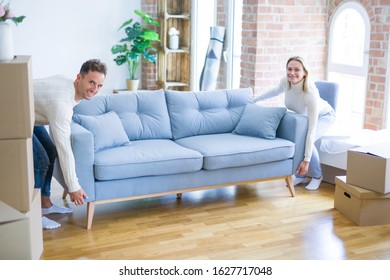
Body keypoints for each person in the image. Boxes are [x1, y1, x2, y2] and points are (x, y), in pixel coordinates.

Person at [33, 59, 107, 229]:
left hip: (29, 112)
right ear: (78, 78)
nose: (94, 90)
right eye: (91, 82)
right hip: (13, 111)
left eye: (99, 85)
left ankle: (45, 204)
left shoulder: (70, 87)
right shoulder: (62, 104)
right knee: (41, 160)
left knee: (50, 152)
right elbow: (65, 149)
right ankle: (34, 215)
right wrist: (74, 187)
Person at [254, 56, 335, 191]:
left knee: (305, 140)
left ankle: (316, 176)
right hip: (304, 117)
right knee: (298, 139)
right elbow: (274, 91)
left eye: (297, 69)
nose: (292, 73)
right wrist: (256, 99)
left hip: (324, 116)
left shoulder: (310, 94)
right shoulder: (286, 82)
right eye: (289, 69)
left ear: (305, 72)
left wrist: (306, 160)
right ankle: (301, 176)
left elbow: (311, 130)